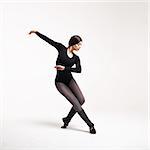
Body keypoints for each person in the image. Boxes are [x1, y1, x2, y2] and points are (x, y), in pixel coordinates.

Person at [28, 30, 96, 134]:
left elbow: (79, 70)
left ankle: (67, 119)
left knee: (81, 100)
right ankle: (90, 125)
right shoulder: (61, 48)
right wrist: (36, 33)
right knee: (76, 103)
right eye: (78, 45)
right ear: (73, 44)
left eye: (80, 45)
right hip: (60, 82)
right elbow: (48, 40)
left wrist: (65, 68)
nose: (80, 47)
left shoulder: (76, 58)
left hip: (69, 80)